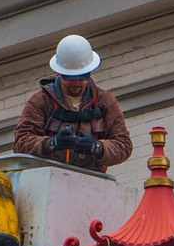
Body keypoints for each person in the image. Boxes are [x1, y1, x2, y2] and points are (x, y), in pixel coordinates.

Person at [13, 34, 132, 172]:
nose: (76, 83)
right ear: (61, 73)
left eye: (81, 78)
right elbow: (21, 142)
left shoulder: (105, 102)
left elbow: (123, 145)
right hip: (49, 178)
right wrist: (51, 144)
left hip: (91, 180)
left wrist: (97, 147)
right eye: (70, 78)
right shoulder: (40, 101)